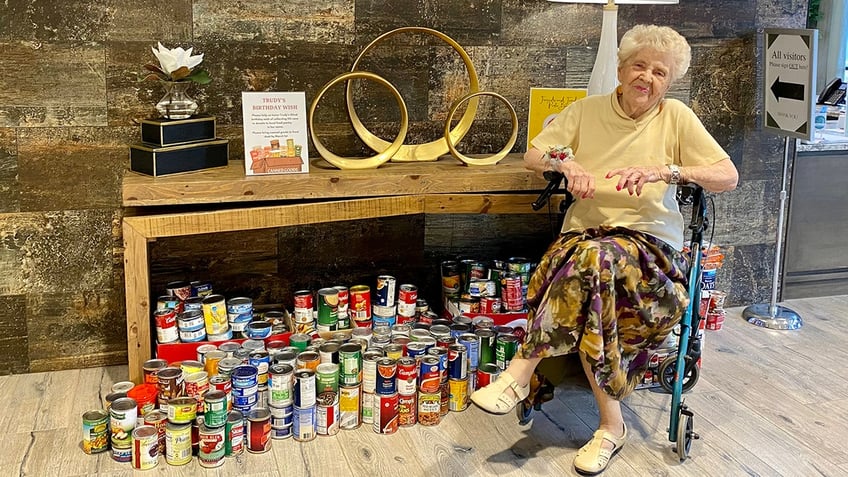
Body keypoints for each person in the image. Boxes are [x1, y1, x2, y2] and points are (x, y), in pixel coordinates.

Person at [469, 24, 738, 475]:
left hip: (650, 250)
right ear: (621, 67)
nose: (647, 77)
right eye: (639, 65)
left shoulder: (676, 117)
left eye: (659, 71)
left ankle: (519, 372)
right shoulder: (586, 111)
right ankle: (611, 427)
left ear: (669, 81)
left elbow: (726, 176)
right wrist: (567, 161)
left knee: (596, 263)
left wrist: (665, 171)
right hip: (584, 244)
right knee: (594, 265)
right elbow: (535, 155)